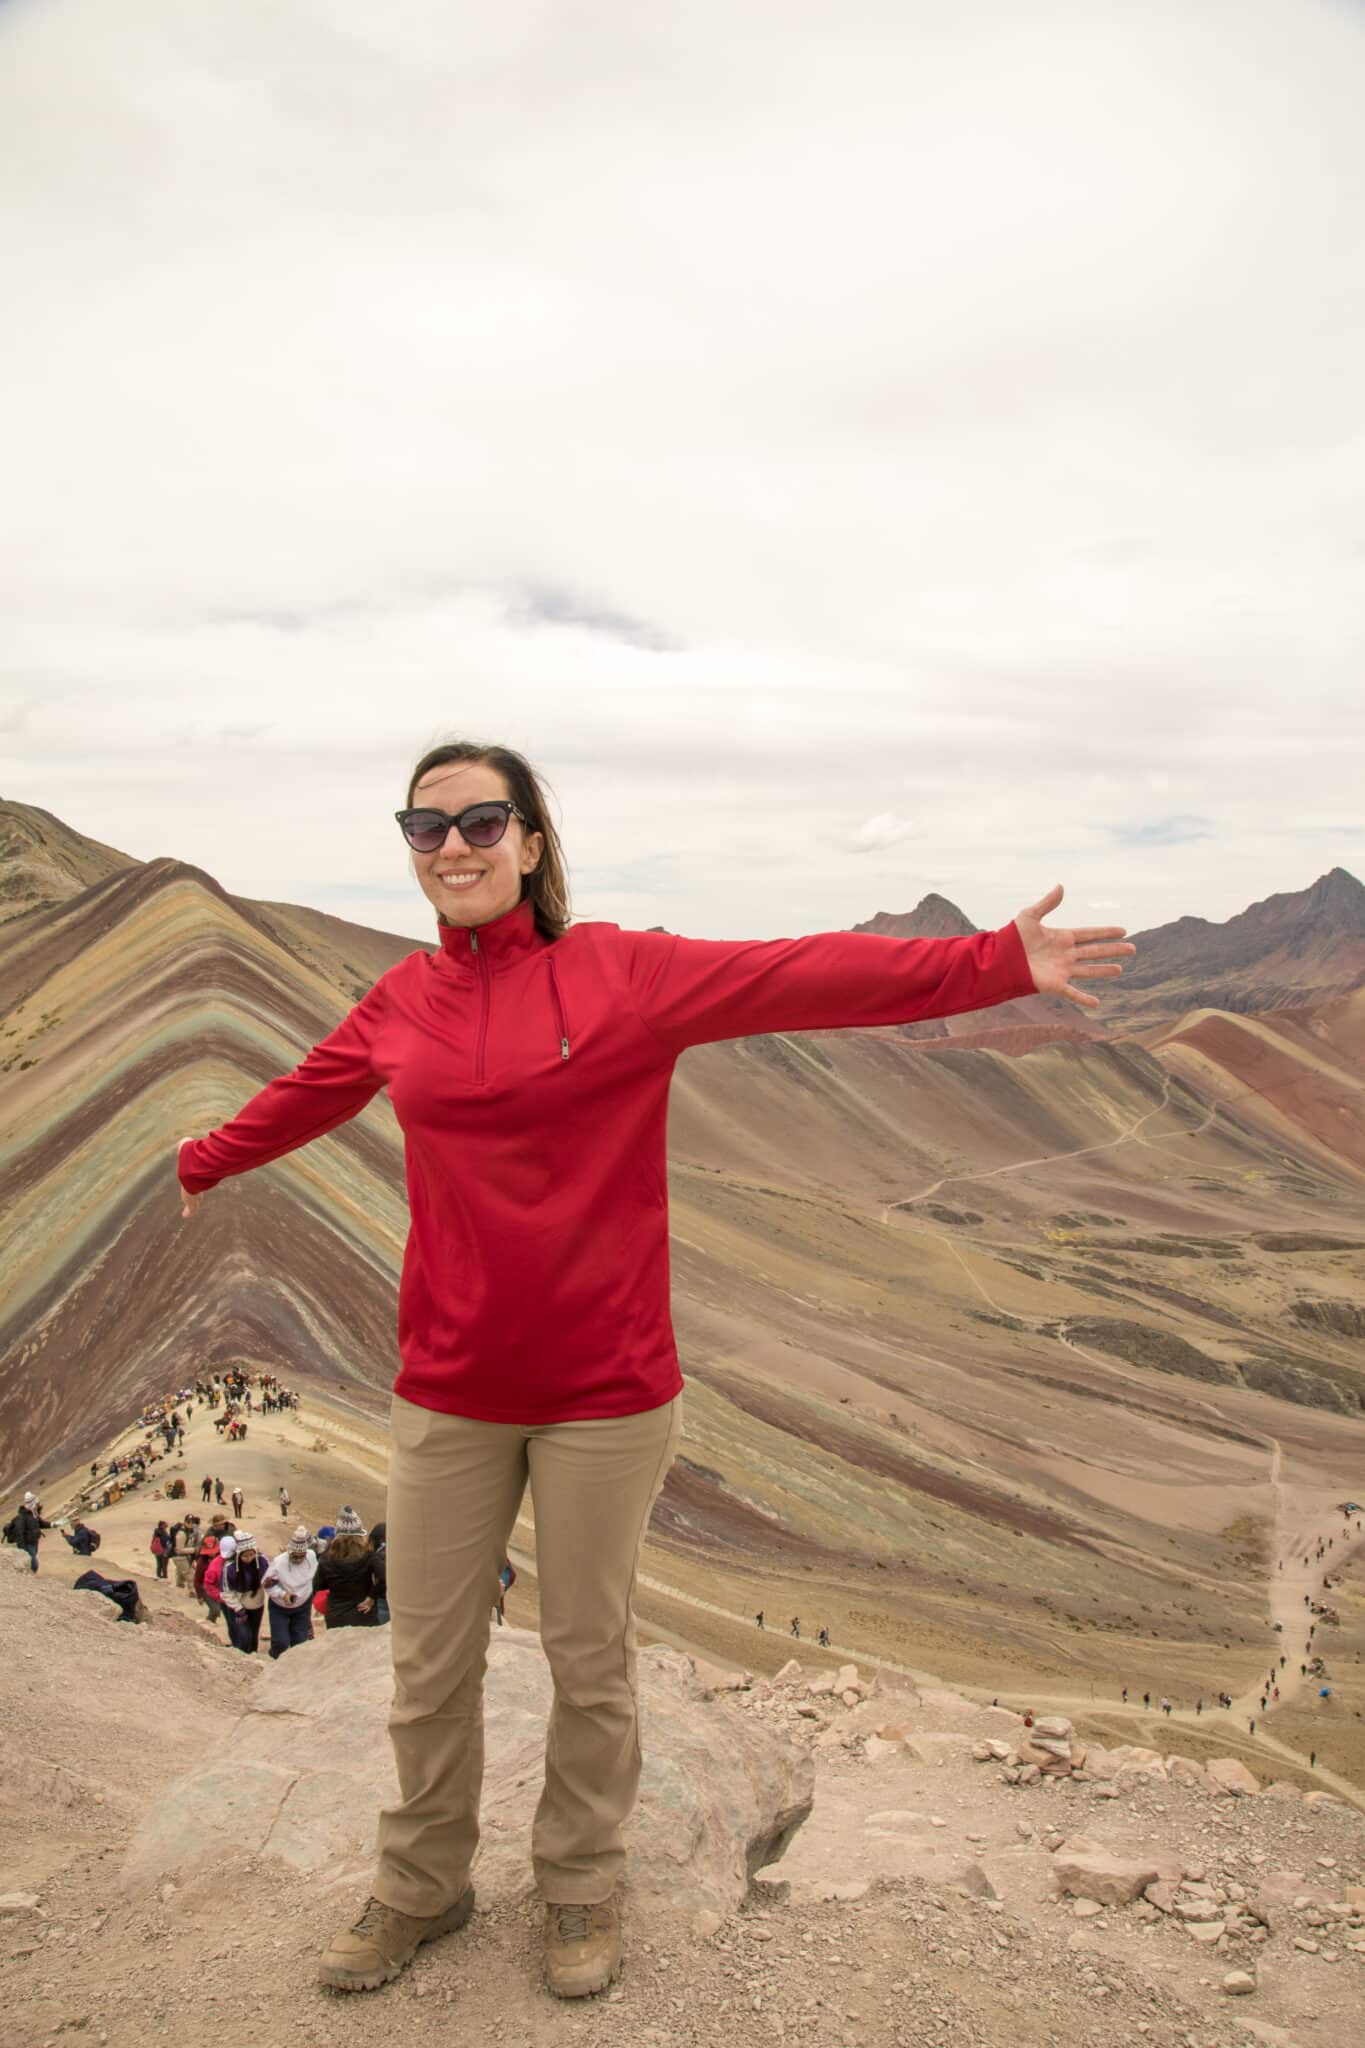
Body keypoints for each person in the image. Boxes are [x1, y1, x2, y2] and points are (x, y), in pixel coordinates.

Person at [175, 735, 1132, 2000]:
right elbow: (305, 1093)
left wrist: (994, 961)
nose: (452, 847)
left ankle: (578, 1885)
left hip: (608, 1394)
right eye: (426, 827)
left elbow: (799, 973)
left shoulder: (621, 972)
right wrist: (200, 1158)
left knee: (589, 1654)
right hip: (449, 1389)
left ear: (530, 839)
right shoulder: (399, 1001)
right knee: (429, 1660)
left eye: (479, 822)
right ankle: (421, 1884)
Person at [314, 1520, 386, 1629]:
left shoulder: (326, 1559)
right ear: (360, 1536)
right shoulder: (369, 1556)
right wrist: (372, 1597)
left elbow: (317, 1586)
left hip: (336, 1616)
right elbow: (384, 1577)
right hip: (364, 1615)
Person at [264, 1527, 318, 1659]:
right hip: (280, 1607)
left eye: (301, 1556)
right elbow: (267, 1584)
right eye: (295, 1556)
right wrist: (283, 1595)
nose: (298, 1559)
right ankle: (273, 1659)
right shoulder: (279, 1562)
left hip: (303, 1605)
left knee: (300, 1642)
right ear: (289, 1552)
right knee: (281, 1642)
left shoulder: (311, 1557)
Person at [220, 1533, 268, 1654]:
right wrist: (239, 1609)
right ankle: (239, 1659)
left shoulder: (262, 1561)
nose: (248, 1558)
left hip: (257, 1604)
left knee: (253, 1636)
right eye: (245, 1556)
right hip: (237, 1606)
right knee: (243, 1637)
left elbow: (269, 1579)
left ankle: (253, 1659)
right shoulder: (229, 1568)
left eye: (251, 1555)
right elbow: (226, 1592)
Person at [11, 1493, 50, 1572]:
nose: (37, 1505)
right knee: (34, 1565)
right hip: (27, 1544)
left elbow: (41, 1523)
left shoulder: (34, 1514)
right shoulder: (21, 1517)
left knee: (32, 1560)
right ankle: (30, 1579)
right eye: (36, 1504)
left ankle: (29, 1576)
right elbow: (19, 1533)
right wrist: (22, 1548)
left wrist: (53, 1524)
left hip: (34, 1542)